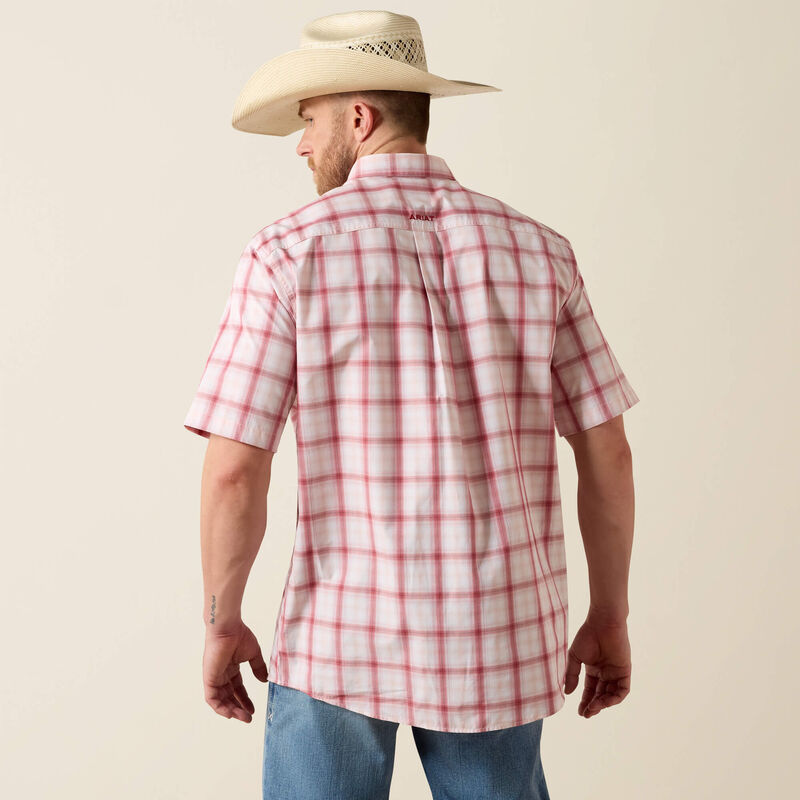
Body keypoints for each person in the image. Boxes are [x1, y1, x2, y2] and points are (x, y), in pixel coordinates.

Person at [183, 10, 640, 800]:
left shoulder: (288, 252)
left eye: (307, 122)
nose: (300, 145)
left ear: (358, 118)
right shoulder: (540, 250)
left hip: (339, 639)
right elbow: (607, 450)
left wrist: (223, 621)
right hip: (498, 636)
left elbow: (233, 468)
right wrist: (610, 612)